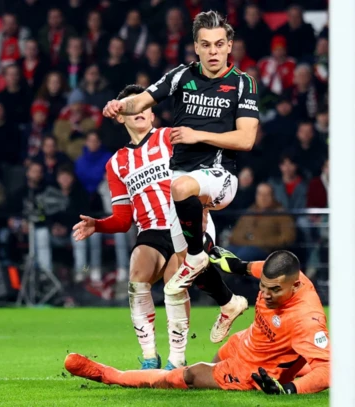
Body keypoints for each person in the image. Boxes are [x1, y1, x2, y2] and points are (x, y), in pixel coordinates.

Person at [73, 84, 248, 370]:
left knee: (172, 284)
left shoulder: (171, 137)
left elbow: (204, 172)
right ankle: (149, 357)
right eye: (133, 106)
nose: (141, 110)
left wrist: (203, 202)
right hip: (150, 231)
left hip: (186, 221)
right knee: (137, 270)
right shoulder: (117, 163)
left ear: (152, 113)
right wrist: (98, 225)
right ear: (121, 116)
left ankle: (176, 360)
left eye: (145, 105)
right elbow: (123, 219)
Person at [102, 11, 259, 295]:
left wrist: (197, 134)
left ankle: (200, 255)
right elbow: (141, 101)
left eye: (219, 44)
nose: (213, 51)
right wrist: (117, 106)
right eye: (206, 44)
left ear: (229, 45)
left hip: (220, 176)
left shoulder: (242, 83)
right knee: (181, 276)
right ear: (196, 47)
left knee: (182, 190)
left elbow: (247, 139)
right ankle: (229, 302)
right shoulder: (180, 76)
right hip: (182, 183)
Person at [64, 250, 330, 395]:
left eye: (275, 290)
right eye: (264, 288)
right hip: (243, 342)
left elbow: (329, 372)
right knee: (219, 358)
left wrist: (289, 390)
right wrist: (239, 266)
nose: (267, 295)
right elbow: (261, 268)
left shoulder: (307, 319)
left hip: (251, 370)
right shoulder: (282, 275)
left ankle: (108, 375)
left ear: (296, 285)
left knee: (188, 375)